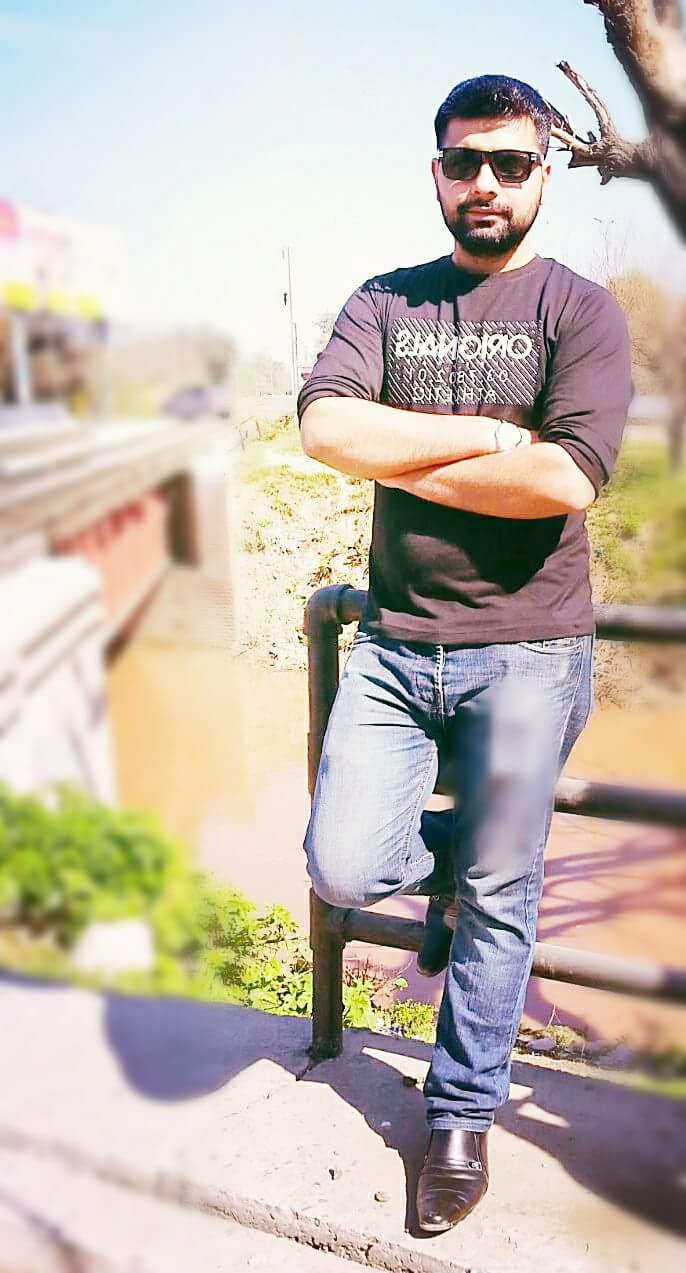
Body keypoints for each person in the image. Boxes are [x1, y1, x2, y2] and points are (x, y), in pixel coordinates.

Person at [297, 74, 632, 1233]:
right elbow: (324, 427)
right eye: (461, 162)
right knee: (344, 866)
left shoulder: (579, 311)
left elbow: (563, 479)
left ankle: (457, 1118)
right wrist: (489, 436)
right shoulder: (385, 301)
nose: (482, 183)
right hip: (394, 646)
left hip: (531, 649)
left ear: (541, 173)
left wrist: (400, 455)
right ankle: (467, 851)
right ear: (434, 171)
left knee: (497, 891)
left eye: (507, 163)